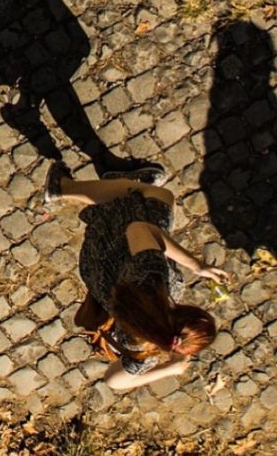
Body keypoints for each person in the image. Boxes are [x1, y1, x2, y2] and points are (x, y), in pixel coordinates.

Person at [48, 165, 226, 390]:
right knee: (152, 208)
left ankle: (63, 187)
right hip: (94, 270)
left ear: (184, 310)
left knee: (159, 196)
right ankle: (116, 184)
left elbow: (138, 229)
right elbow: (113, 381)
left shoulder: (153, 279)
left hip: (108, 240)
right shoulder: (143, 348)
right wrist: (172, 369)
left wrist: (197, 266)